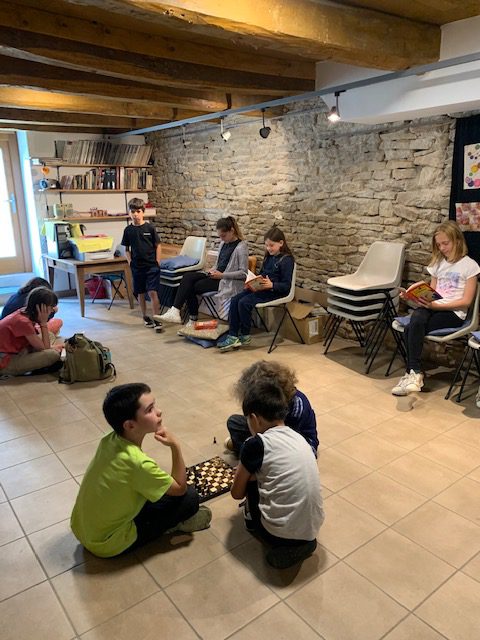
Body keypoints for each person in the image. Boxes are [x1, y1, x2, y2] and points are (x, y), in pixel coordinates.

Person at [70, 383, 212, 558]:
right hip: (107, 543)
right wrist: (175, 446)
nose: (159, 412)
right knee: (190, 498)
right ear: (130, 425)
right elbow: (180, 488)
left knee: (154, 491)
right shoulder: (138, 463)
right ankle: (173, 526)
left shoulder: (109, 439)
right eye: (150, 410)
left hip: (82, 528)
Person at [230, 380, 324, 569]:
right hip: (313, 527)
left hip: (277, 533)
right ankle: (302, 541)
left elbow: (236, 493)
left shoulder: (255, 444)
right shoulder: (299, 438)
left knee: (250, 478)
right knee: (264, 472)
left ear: (254, 418)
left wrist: (244, 473)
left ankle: (273, 537)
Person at [392, 220, 480, 396]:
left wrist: (435, 306)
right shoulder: (438, 263)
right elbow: (432, 292)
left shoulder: (470, 266)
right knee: (417, 317)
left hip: (453, 313)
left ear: (457, 241)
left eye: (445, 243)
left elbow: (466, 302)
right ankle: (415, 374)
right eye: (439, 245)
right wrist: (414, 296)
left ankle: (413, 373)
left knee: (411, 328)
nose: (442, 248)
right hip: (433, 307)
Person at [155, 216, 248, 326]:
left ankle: (190, 317)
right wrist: (211, 270)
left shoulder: (241, 247)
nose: (221, 239)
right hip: (216, 275)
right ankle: (175, 311)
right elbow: (218, 264)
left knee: (190, 286)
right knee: (187, 277)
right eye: (220, 236)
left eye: (223, 236)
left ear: (232, 231)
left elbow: (243, 273)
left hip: (225, 281)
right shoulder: (223, 244)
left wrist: (222, 275)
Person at [217, 226, 294, 351]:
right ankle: (233, 334)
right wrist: (253, 281)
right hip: (262, 287)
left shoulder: (287, 260)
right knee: (235, 299)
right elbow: (263, 274)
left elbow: (287, 286)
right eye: (266, 245)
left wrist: (272, 285)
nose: (268, 248)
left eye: (271, 245)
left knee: (244, 302)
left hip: (275, 291)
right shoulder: (269, 256)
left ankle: (245, 334)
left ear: (281, 243)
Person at [225, 360, 318, 457]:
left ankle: (252, 455)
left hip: (296, 444)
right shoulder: (271, 403)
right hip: (273, 432)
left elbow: (284, 438)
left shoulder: (297, 407)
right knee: (234, 422)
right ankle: (248, 450)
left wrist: (258, 440)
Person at [0, 286, 63, 377]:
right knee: (52, 355)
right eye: (51, 307)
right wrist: (43, 322)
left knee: (49, 335)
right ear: (42, 307)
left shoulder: (24, 312)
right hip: (5, 362)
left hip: (18, 350)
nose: (52, 310)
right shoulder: (23, 322)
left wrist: (51, 347)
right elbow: (44, 349)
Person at [121, 198, 162, 331]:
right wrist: (130, 262)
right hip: (137, 267)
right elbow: (126, 249)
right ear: (129, 213)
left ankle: (157, 319)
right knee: (141, 293)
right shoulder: (128, 230)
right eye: (133, 212)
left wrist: (158, 262)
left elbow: (158, 245)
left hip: (152, 266)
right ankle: (145, 317)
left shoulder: (150, 228)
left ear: (143, 212)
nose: (135, 214)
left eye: (138, 211)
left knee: (153, 292)